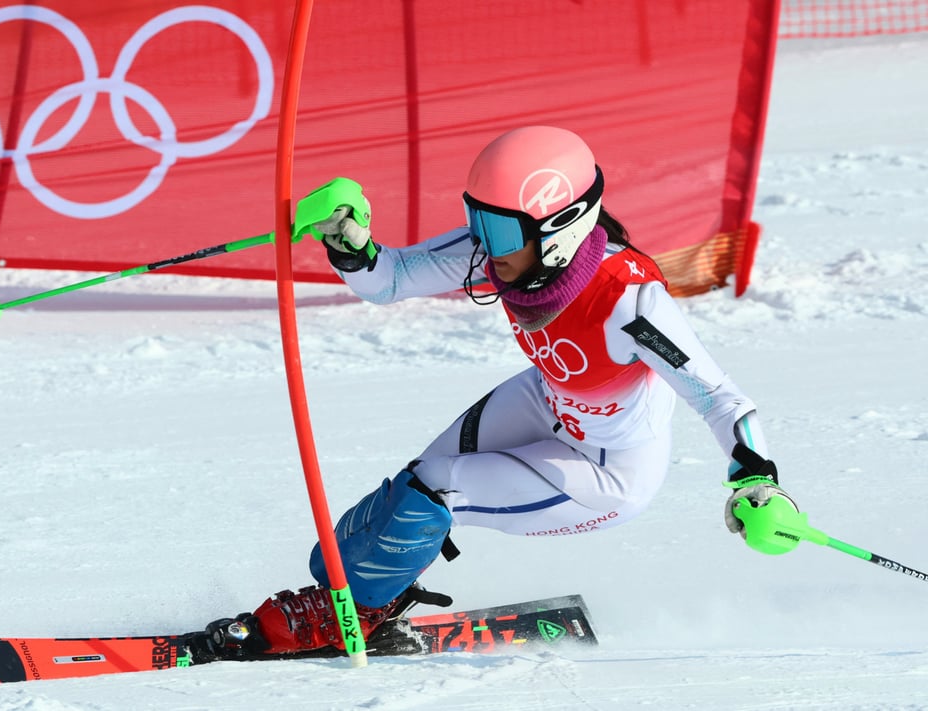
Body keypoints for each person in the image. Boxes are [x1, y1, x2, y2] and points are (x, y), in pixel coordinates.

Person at [193, 125, 799, 661]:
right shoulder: (504, 249)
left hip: (606, 471)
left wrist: (757, 482)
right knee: (388, 512)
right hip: (548, 402)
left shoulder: (630, 302)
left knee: (435, 490)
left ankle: (354, 613)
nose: (483, 244)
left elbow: (719, 397)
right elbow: (392, 279)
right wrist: (351, 242)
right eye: (477, 220)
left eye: (499, 229)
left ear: (560, 229)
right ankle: (367, 596)